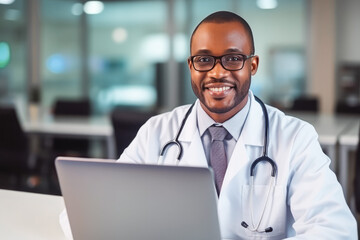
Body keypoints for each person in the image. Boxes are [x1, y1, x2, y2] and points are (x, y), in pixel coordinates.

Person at [117, 11, 357, 239]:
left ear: (252, 65)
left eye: (232, 59)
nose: (217, 72)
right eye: (204, 59)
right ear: (191, 67)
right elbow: (114, 211)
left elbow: (335, 231)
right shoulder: (156, 132)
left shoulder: (295, 138)